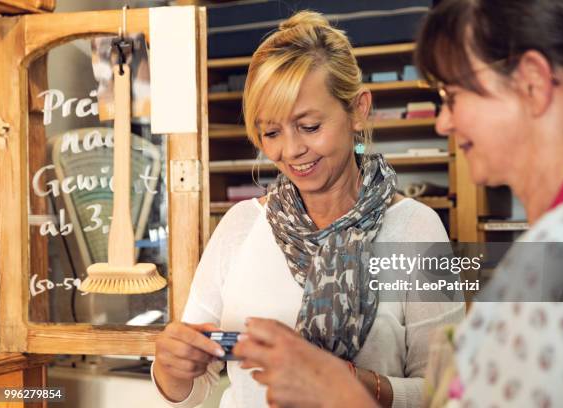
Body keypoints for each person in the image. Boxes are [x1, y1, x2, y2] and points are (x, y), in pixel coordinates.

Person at [233, 0, 563, 407]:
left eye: (453, 93)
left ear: (533, 84)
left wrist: (340, 391)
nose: (444, 121)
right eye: (271, 131)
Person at [151, 10, 464, 408]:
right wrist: (171, 368)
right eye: (271, 132)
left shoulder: (416, 230)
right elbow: (193, 387)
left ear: (358, 110)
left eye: (310, 126)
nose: (292, 150)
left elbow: (447, 393)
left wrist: (344, 381)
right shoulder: (242, 225)